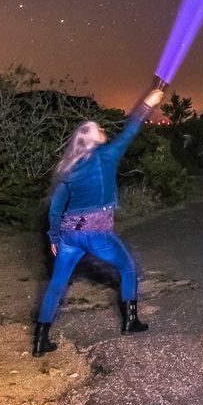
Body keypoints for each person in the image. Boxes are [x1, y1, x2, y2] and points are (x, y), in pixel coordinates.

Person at [33, 84, 165, 357]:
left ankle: (40, 340)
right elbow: (131, 129)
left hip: (70, 233)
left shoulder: (68, 167)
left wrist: (54, 237)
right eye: (98, 129)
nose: (103, 131)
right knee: (128, 269)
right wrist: (148, 102)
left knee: (57, 284)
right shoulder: (106, 155)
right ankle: (131, 322)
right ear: (90, 139)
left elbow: (56, 207)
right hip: (96, 232)